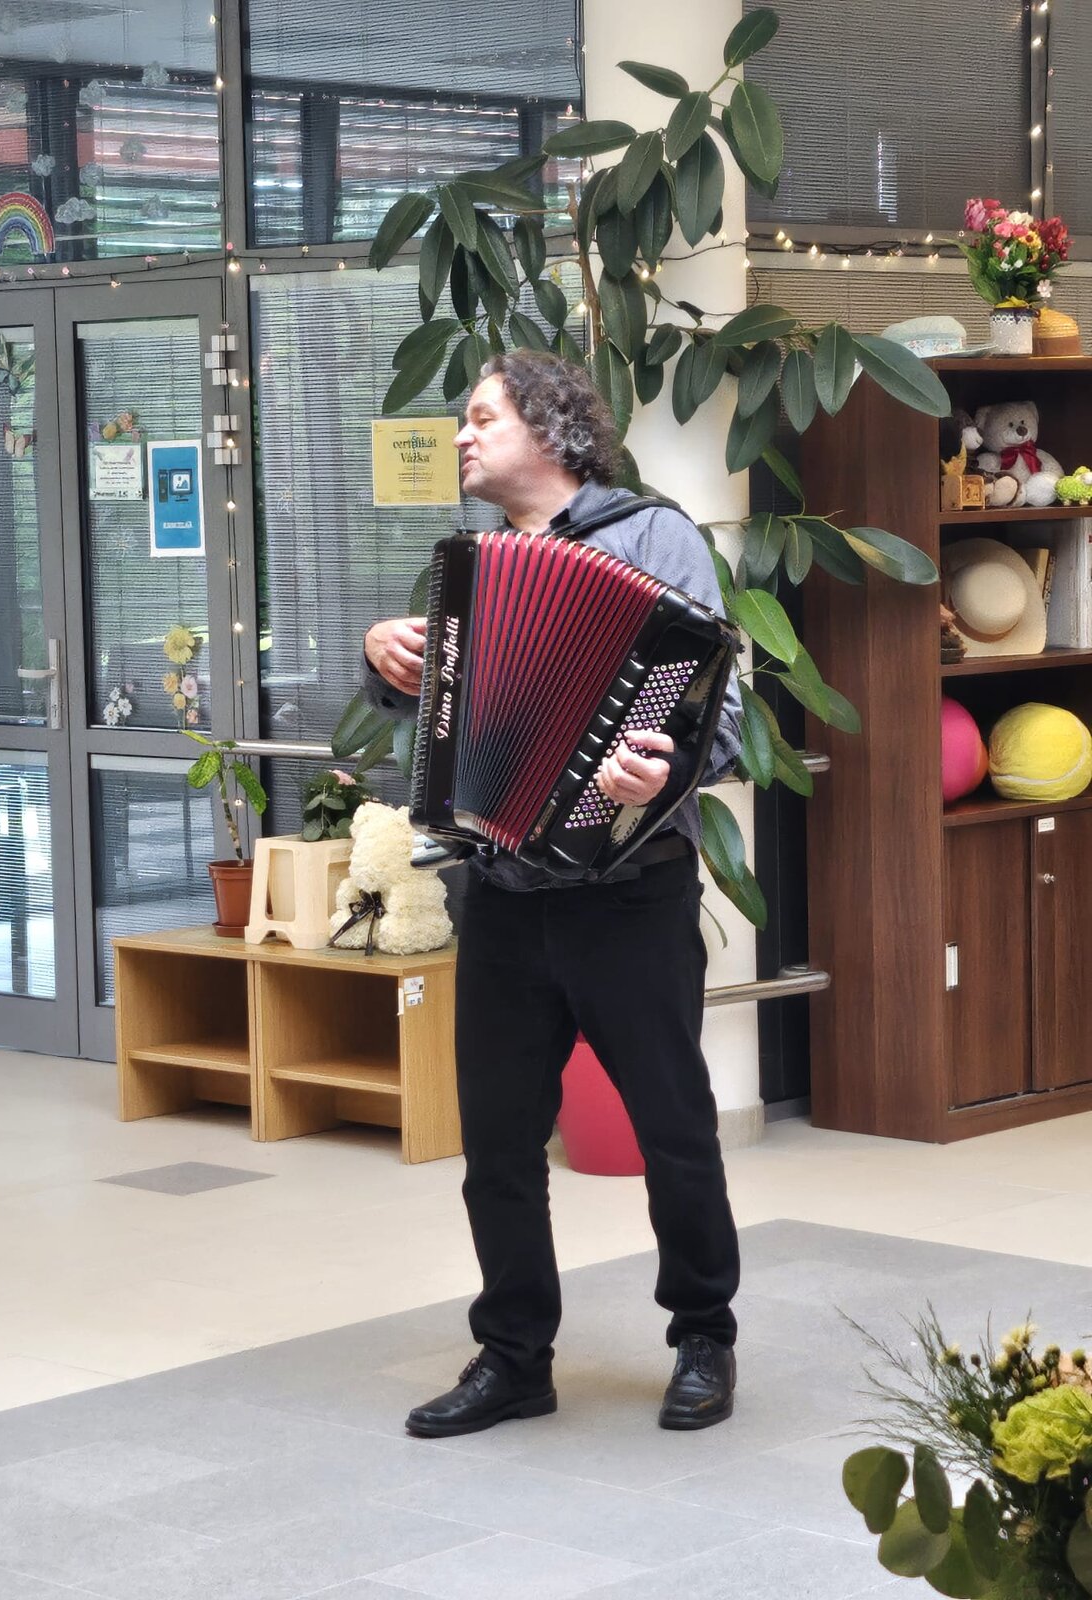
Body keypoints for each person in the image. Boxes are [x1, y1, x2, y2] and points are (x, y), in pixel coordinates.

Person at [362, 350, 743, 1438]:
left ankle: (704, 1335)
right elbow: (441, 725)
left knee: (673, 1128)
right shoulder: (471, 567)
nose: (462, 435)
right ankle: (514, 1356)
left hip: (629, 894)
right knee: (496, 1144)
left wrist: (656, 772)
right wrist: (385, 664)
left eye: (482, 416)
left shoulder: (655, 537)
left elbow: (716, 720)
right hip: (502, 890)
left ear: (551, 428)